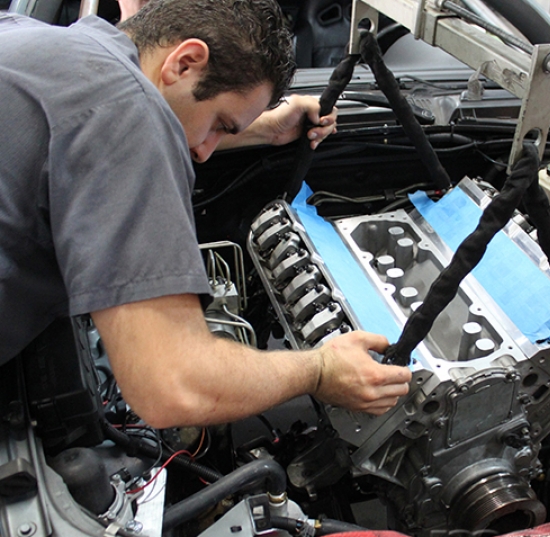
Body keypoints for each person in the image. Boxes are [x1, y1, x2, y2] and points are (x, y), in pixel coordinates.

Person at [0, 0, 411, 428]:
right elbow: (174, 385)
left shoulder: (28, 36)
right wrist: (321, 370)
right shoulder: (125, 117)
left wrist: (262, 129)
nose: (204, 152)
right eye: (220, 123)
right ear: (185, 62)